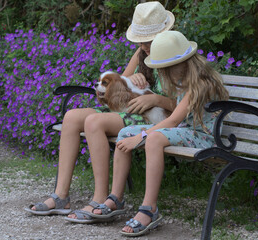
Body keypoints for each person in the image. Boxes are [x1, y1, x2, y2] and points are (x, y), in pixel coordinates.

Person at [24, 1, 176, 223]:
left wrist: (155, 98)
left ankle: (101, 198)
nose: (143, 45)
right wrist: (132, 78)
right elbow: (120, 83)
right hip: (130, 108)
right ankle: (60, 196)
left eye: (148, 40)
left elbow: (184, 104)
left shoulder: (176, 52)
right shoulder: (142, 52)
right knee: (72, 116)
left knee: (94, 122)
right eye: (141, 40)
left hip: (151, 115)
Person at [89, 31, 229, 236]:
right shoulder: (181, 79)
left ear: (179, 65)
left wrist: (141, 137)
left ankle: (149, 208)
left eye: (164, 69)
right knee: (126, 132)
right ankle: (116, 197)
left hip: (203, 137)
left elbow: (173, 120)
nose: (161, 74)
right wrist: (135, 134)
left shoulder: (199, 84)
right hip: (184, 131)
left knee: (153, 138)